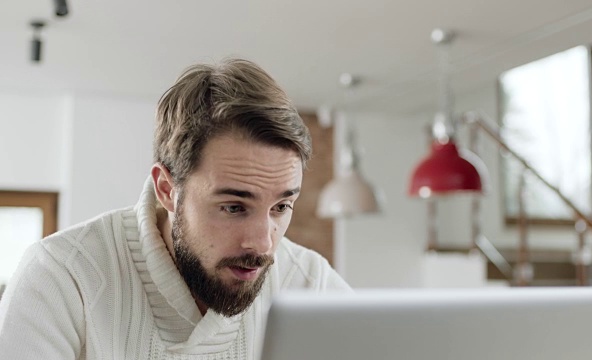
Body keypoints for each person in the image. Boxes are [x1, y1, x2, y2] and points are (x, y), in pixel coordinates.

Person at [0, 58, 351, 359]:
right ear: (167, 189)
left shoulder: (309, 284)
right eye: (233, 207)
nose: (262, 245)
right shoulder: (62, 277)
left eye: (281, 206)